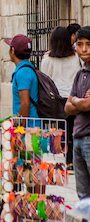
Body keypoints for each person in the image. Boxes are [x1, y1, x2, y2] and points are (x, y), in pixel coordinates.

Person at [64, 26, 90, 222]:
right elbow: (67, 107)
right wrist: (79, 103)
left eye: (88, 45)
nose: (83, 49)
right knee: (83, 195)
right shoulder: (80, 74)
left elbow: (85, 104)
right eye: (80, 44)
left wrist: (78, 102)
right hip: (78, 137)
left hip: (89, 138)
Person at [42, 26, 81, 167]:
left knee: (59, 131)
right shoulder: (76, 58)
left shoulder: (47, 59)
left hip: (56, 99)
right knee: (72, 130)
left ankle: (60, 159)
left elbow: (45, 78)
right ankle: (71, 160)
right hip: (72, 98)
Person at [5, 34, 39, 118]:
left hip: (29, 127)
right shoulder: (27, 68)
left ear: (12, 50)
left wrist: (21, 126)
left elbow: (25, 103)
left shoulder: (22, 72)